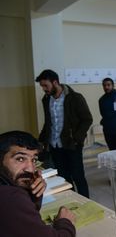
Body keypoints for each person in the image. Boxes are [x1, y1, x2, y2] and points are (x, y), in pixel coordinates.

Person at [0, 130, 76, 237]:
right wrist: (65, 222)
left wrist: (33, 192)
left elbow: (26, 224)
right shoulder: (11, 197)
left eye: (34, 160)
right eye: (20, 158)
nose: (31, 169)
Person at [36, 69, 93, 198]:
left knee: (78, 176)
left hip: (72, 145)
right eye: (42, 86)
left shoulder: (75, 98)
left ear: (55, 82)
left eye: (46, 85)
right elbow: (48, 122)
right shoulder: (46, 99)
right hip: (55, 146)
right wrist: (41, 140)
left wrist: (77, 138)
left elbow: (87, 119)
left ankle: (86, 202)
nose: (44, 89)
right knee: (64, 177)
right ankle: (72, 200)